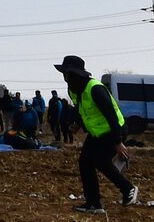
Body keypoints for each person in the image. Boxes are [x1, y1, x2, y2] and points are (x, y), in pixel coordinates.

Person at [57, 55, 137, 214]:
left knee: (100, 161)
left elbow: (111, 116)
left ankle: (128, 188)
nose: (64, 76)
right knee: (85, 162)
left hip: (114, 131)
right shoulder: (74, 89)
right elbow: (81, 108)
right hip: (97, 133)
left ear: (74, 73)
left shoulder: (95, 89)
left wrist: (118, 142)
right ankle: (94, 204)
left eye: (66, 72)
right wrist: (78, 124)